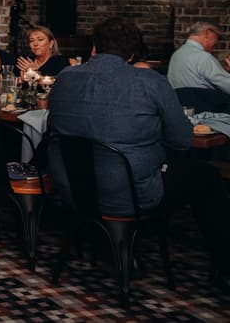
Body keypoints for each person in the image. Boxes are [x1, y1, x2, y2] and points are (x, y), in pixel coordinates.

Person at [48, 16, 230, 290]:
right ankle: (222, 267)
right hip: (131, 193)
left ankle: (124, 246)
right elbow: (181, 140)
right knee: (207, 176)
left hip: (75, 189)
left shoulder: (65, 78)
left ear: (95, 48)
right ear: (132, 54)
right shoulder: (149, 81)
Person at [168, 21, 230, 95]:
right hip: (205, 104)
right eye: (216, 37)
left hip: (181, 103)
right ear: (207, 33)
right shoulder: (203, 57)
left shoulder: (177, 54)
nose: (216, 42)